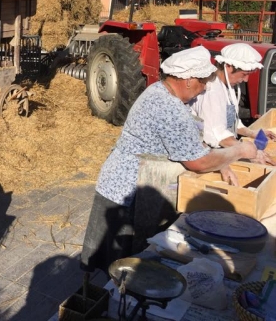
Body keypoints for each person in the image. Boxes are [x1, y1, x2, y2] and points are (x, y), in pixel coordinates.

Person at [80, 46, 258, 275]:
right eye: (203, 83)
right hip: (126, 191)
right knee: (120, 266)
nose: (203, 90)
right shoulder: (168, 107)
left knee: (117, 264)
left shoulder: (159, 91)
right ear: (188, 80)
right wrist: (239, 151)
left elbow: (190, 144)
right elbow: (198, 163)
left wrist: (221, 162)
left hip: (121, 182)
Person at [190, 43, 276, 168]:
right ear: (228, 66)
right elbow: (217, 136)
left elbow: (233, 122)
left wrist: (252, 133)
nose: (246, 80)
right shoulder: (212, 91)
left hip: (223, 147)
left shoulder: (228, 87)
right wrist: (249, 151)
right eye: (244, 74)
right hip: (205, 154)